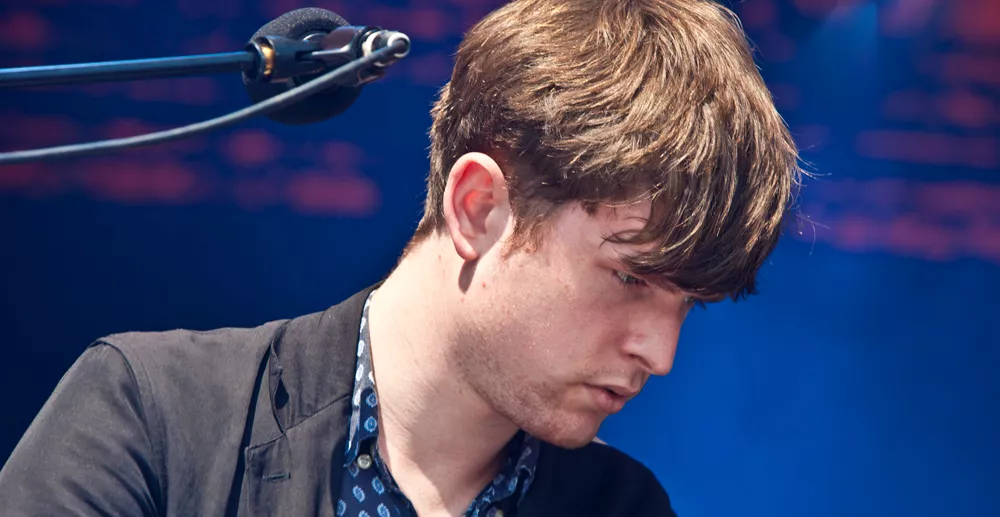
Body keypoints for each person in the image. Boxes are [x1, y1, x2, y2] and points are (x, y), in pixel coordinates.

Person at [0, 0, 801, 515]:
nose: (659, 353)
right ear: (478, 207)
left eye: (686, 304)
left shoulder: (620, 507)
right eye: (629, 276)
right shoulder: (151, 414)